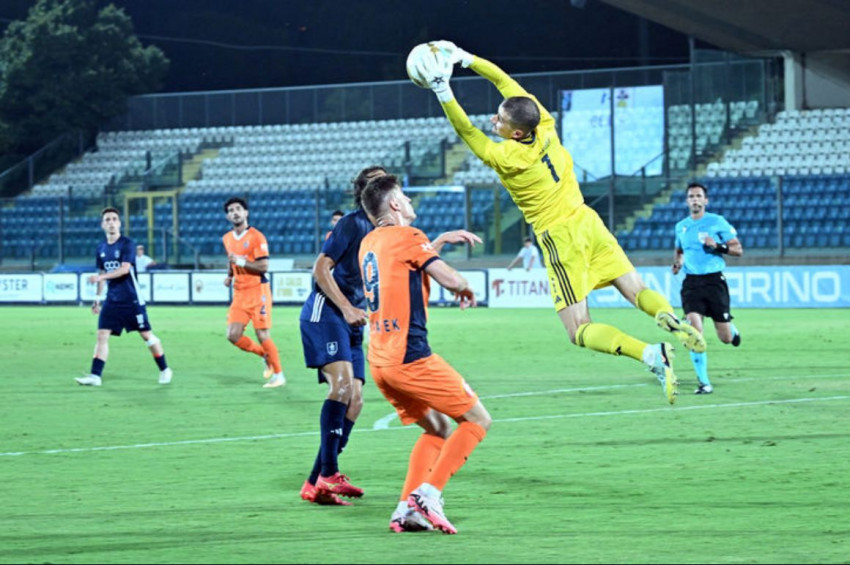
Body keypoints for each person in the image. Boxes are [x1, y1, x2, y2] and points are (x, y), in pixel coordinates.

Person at [423, 41, 707, 404]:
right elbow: (505, 82)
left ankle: (652, 354)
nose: (493, 120)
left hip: (560, 235)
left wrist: (442, 88)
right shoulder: (544, 122)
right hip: (588, 220)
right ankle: (669, 316)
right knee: (634, 288)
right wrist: (466, 58)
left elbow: (466, 131)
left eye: (500, 120)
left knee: (578, 329)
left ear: (517, 133)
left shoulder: (509, 157)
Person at [359, 174, 489, 535]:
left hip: (381, 362)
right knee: (478, 420)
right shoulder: (408, 237)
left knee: (436, 427)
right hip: (411, 356)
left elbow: (403, 265)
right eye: (405, 196)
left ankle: (406, 509)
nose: (411, 201)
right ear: (395, 204)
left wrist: (437, 243)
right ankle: (428, 496)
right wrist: (463, 286)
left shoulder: (370, 242)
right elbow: (448, 278)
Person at [297, 166, 386, 507]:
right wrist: (348, 307)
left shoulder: (384, 231)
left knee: (357, 399)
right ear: (365, 192)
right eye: (374, 181)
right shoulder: (351, 223)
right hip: (327, 312)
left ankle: (314, 483)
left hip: (354, 321)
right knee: (343, 388)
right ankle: (330, 472)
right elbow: (321, 268)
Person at [75, 207, 172, 387]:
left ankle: (165, 369)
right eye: (107, 220)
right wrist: (97, 299)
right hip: (112, 300)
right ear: (102, 225)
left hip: (131, 299)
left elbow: (124, 269)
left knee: (146, 335)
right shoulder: (101, 248)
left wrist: (101, 277)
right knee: (102, 335)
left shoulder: (127, 243)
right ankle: (95, 376)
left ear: (119, 223)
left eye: (114, 219)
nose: (111, 222)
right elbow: (102, 272)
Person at [672, 182, 743, 394]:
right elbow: (679, 250)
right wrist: (678, 262)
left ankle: (731, 328)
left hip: (714, 282)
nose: (695, 199)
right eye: (691, 196)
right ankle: (704, 382)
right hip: (691, 283)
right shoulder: (681, 226)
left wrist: (718, 247)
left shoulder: (716, 222)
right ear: (687, 201)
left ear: (705, 200)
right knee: (694, 332)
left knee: (725, 338)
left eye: (698, 196)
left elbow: (737, 249)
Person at [222, 197, 285, 389]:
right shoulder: (227, 238)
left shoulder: (257, 237)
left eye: (238, 209)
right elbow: (231, 260)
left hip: (258, 290)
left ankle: (279, 375)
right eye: (231, 210)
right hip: (239, 293)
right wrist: (230, 276)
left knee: (262, 334)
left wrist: (240, 262)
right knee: (233, 335)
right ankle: (264, 355)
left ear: (246, 212)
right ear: (227, 216)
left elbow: (263, 266)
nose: (235, 212)